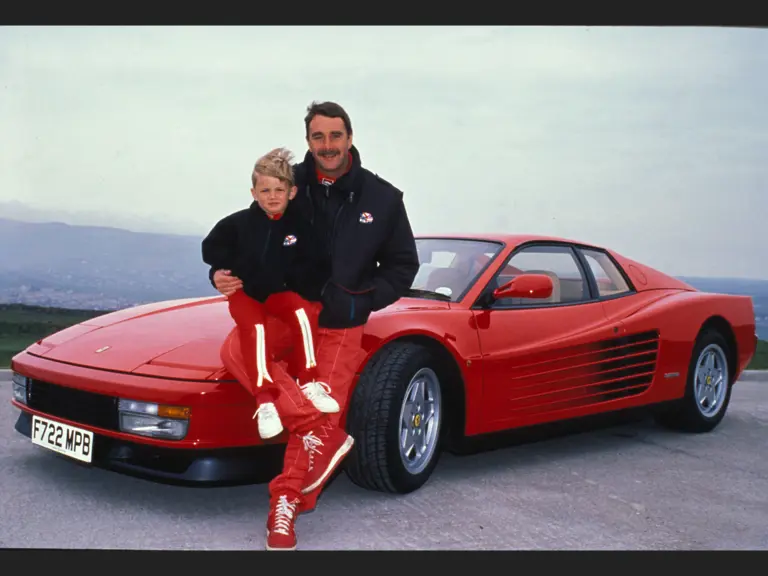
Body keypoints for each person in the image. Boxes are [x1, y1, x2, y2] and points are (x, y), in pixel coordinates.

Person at [211, 101, 420, 550]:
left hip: (342, 321)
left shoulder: (382, 199)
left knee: (322, 407)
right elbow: (246, 237)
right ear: (307, 140)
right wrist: (219, 272)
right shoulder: (288, 184)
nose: (327, 146)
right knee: (236, 349)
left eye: (336, 136)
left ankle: (284, 505)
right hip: (291, 310)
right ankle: (315, 427)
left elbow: (403, 266)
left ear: (350, 137)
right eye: (318, 137)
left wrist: (361, 298)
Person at [202, 147, 339, 441]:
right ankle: (265, 402)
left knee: (301, 314)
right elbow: (211, 249)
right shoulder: (237, 224)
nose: (272, 196)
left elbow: (317, 264)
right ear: (253, 193)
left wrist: (293, 284)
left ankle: (310, 382)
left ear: (292, 192)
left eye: (279, 189)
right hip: (245, 293)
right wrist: (223, 271)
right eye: (265, 190)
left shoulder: (300, 227)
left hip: (279, 291)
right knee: (256, 330)